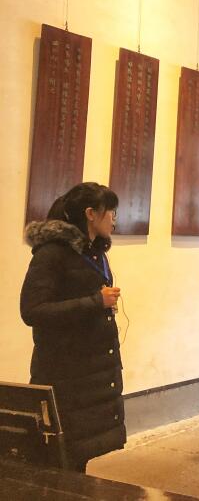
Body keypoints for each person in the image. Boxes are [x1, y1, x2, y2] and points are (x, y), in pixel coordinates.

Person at [20, 183, 125, 473]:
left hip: (94, 371)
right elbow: (32, 311)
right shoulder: (52, 254)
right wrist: (96, 302)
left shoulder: (95, 253)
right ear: (90, 214)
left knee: (85, 454)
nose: (114, 219)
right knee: (62, 459)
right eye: (110, 212)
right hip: (66, 372)